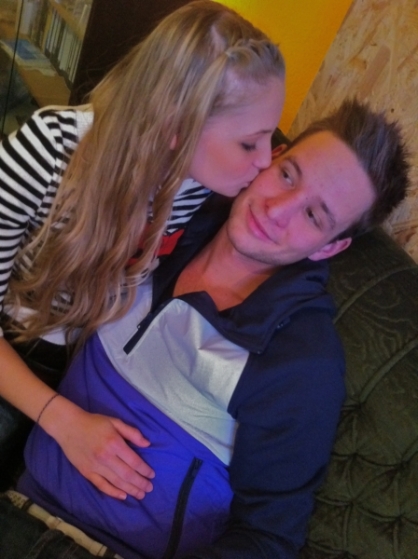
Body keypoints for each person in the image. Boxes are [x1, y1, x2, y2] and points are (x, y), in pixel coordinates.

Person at [0, 99, 410, 559]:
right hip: (18, 503)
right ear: (271, 158)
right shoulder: (168, 215)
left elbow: (268, 539)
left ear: (329, 248)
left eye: (314, 216)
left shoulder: (300, 361)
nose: (277, 210)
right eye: (288, 176)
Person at [0, 0, 286, 492]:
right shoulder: (47, 152)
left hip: (89, 361)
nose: (266, 161)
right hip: (16, 347)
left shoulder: (201, 186)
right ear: (175, 128)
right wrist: (63, 420)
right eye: (249, 143)